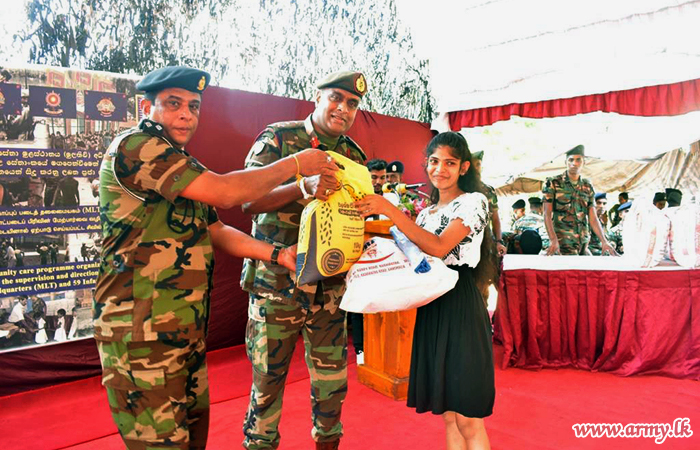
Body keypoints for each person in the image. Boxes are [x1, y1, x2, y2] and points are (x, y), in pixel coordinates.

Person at [93, 66, 335, 450]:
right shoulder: (137, 146)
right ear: (146, 106)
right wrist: (295, 166)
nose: (187, 114)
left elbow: (216, 229)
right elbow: (225, 193)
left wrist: (278, 254)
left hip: (181, 332)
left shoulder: (179, 161)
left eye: (193, 105)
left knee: (191, 441)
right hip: (141, 337)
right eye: (174, 104)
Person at [240, 70, 368, 450]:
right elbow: (247, 201)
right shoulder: (279, 139)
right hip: (276, 284)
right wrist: (301, 187)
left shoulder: (354, 157)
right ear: (318, 96)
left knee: (332, 390)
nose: (343, 109)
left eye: (352, 104)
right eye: (336, 98)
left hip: (329, 291)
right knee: (267, 385)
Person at [355, 131, 496, 450]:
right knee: (448, 415)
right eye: (434, 161)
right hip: (432, 307)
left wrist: (390, 211)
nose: (439, 169)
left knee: (468, 418)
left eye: (450, 162)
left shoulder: (474, 202)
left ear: (464, 167)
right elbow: (416, 260)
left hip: (460, 307)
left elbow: (440, 247)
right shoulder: (426, 214)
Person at [543, 145, 616, 256]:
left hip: (583, 243)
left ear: (584, 162)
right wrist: (553, 240)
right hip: (562, 243)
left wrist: (604, 241)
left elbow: (593, 217)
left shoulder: (587, 185)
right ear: (565, 162)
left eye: (578, 160)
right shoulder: (553, 183)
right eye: (571, 160)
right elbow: (547, 214)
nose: (574, 163)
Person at [471, 150, 506, 257]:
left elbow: (495, 218)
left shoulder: (488, 191)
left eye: (478, 164)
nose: (476, 168)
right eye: (473, 165)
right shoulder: (461, 189)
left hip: (485, 242)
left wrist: (499, 241)